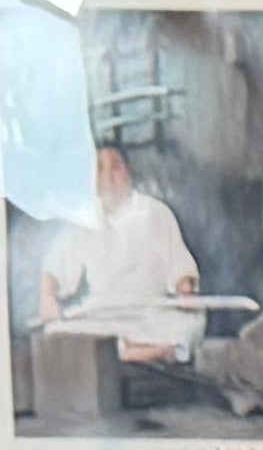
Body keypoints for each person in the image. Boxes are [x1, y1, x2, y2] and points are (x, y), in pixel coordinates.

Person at [35, 143, 203, 366]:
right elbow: (54, 267)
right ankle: (137, 351)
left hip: (152, 311)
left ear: (128, 172)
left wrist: (185, 293)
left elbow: (180, 266)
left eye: (115, 167)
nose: (109, 176)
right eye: (100, 169)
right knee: (56, 331)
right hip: (104, 314)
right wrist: (48, 298)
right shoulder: (84, 222)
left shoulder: (154, 212)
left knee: (190, 324)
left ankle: (134, 349)